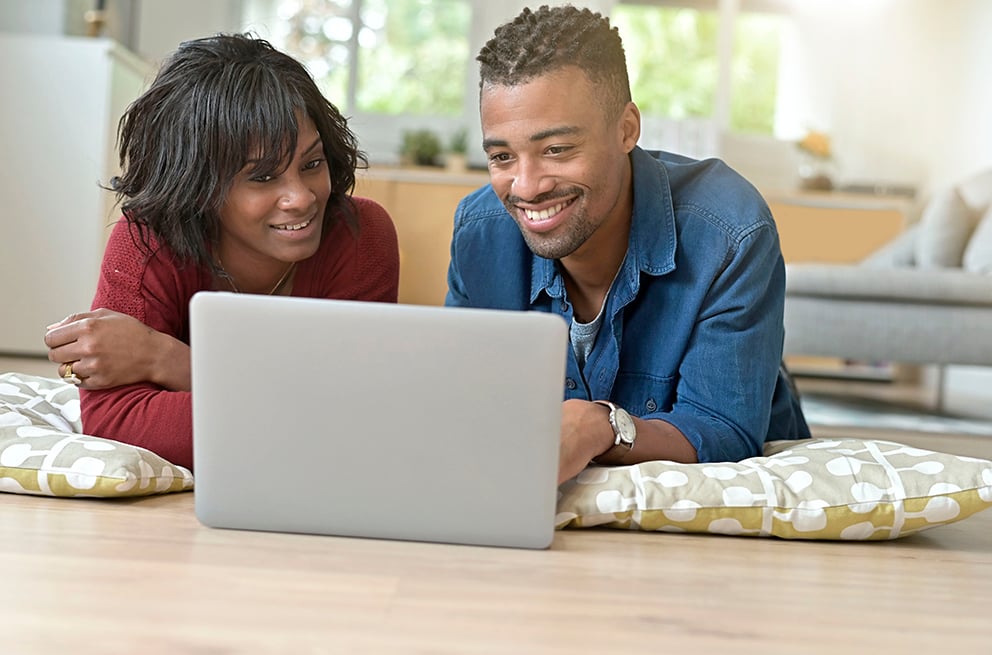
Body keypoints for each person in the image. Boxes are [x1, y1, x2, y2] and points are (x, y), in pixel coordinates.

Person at [446, 5, 810, 484]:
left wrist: (599, 427)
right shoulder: (480, 232)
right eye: (502, 156)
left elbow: (724, 432)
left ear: (627, 129)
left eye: (557, 149)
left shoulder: (729, 231)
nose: (527, 186)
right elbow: (459, 405)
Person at [43, 34, 400, 469]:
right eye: (263, 177)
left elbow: (349, 423)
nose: (302, 198)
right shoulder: (148, 241)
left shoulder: (359, 235)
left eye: (312, 164)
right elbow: (115, 420)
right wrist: (298, 406)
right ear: (199, 185)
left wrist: (169, 359)